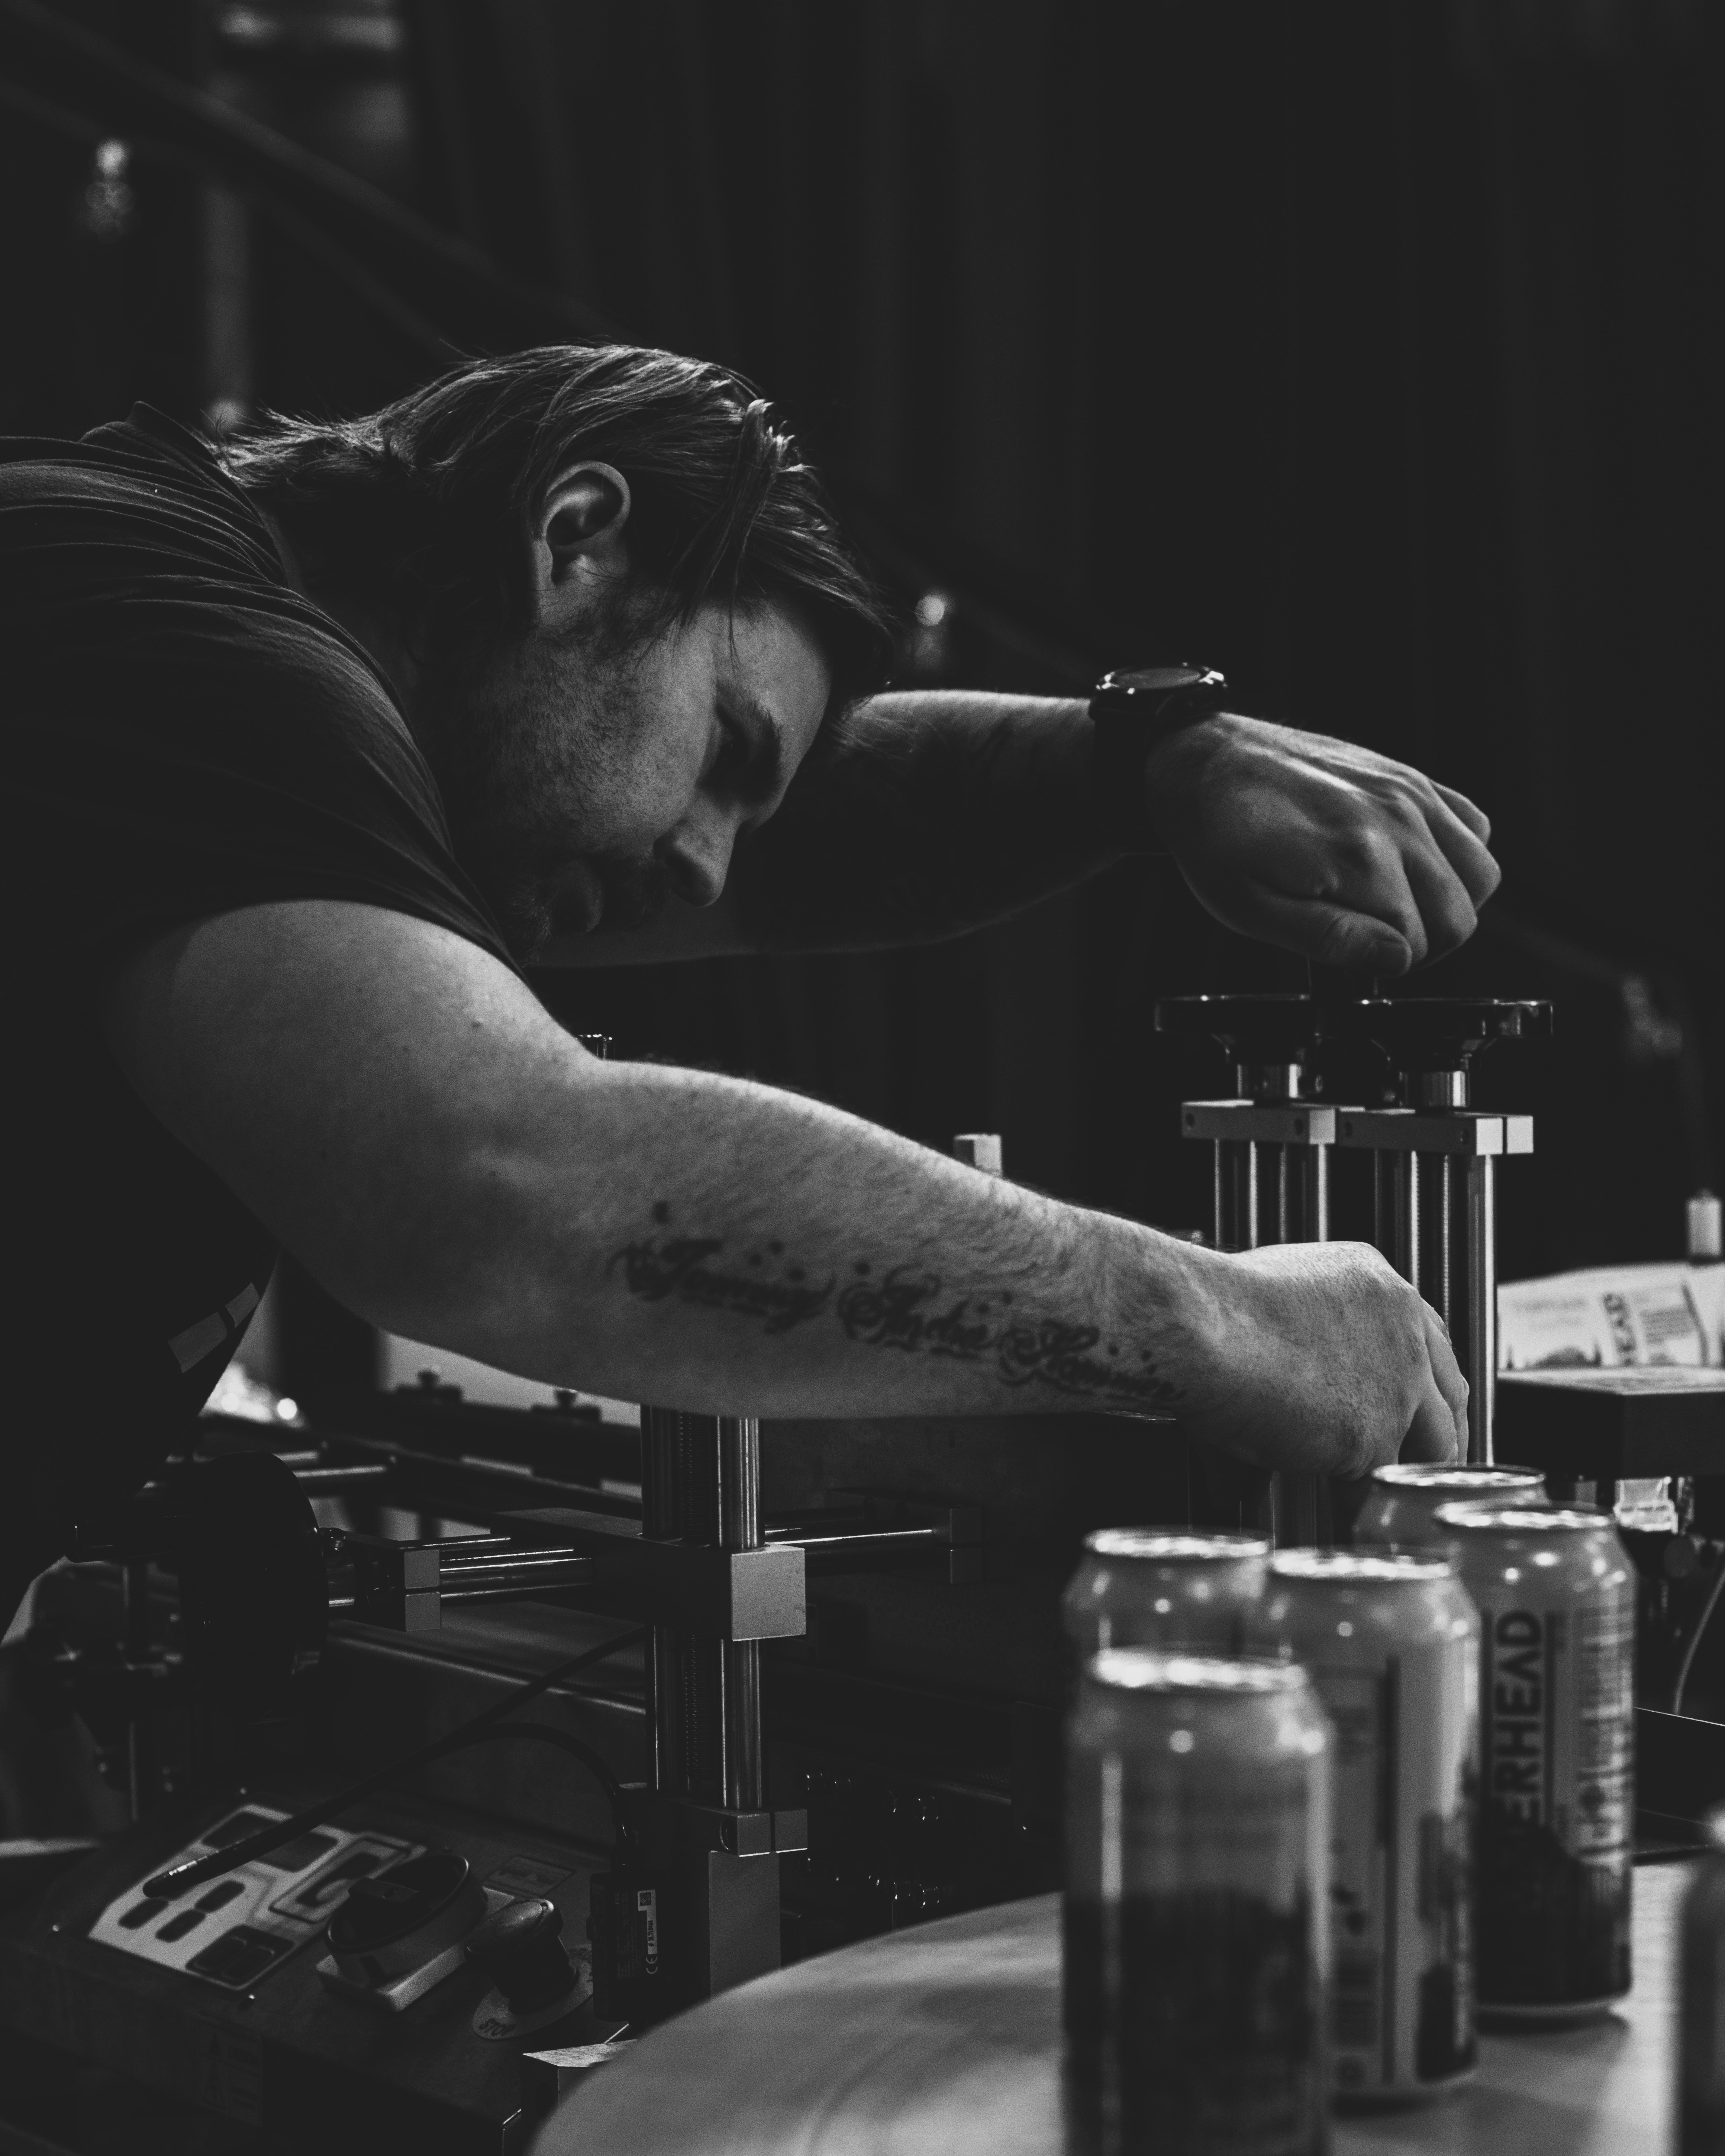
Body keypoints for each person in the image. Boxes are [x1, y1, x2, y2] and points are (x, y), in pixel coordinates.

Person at [1, 343, 1497, 1616]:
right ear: (575, 539)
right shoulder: (173, 630)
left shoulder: (198, 690)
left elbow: (809, 846)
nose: (708, 874)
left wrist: (1143, 762)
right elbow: (500, 1183)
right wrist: (1215, 1321)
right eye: (725, 749)